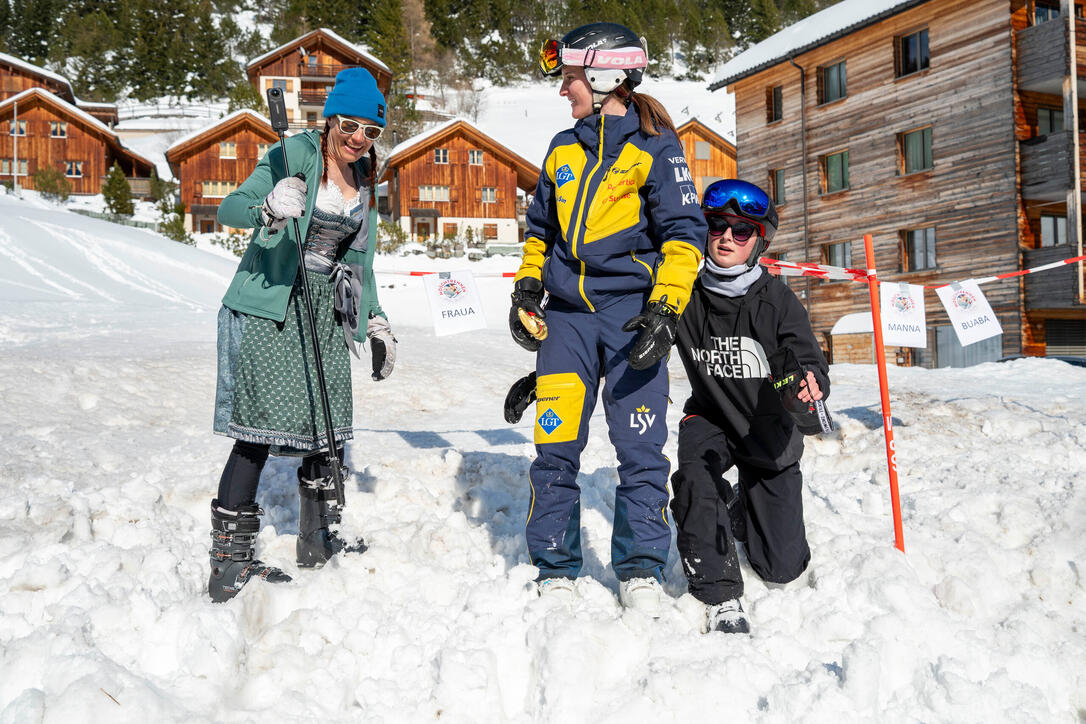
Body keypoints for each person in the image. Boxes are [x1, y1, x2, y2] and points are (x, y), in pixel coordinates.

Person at [509, 22, 707, 614]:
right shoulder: (561, 148)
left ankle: (641, 567)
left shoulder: (656, 149)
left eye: (569, 77)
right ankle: (554, 565)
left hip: (631, 320)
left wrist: (664, 310)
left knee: (641, 452)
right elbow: (540, 230)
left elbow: (684, 235)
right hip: (567, 321)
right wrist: (526, 288)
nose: (562, 89)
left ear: (603, 77)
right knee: (554, 448)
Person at [207, 67, 397, 602]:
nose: (358, 138)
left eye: (371, 131)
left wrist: (376, 321)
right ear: (331, 119)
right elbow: (229, 208)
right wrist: (268, 207)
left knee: (327, 426)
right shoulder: (293, 154)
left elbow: (360, 263)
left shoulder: (364, 180)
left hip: (325, 306)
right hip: (274, 302)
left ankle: (318, 539)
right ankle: (229, 562)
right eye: (350, 125)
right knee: (258, 430)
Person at [669, 179, 830, 633]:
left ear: (759, 242)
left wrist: (808, 387)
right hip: (711, 418)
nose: (727, 237)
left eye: (741, 231)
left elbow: (810, 363)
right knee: (695, 476)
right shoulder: (683, 291)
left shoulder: (777, 301)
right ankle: (719, 594)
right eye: (717, 225)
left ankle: (739, 507)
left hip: (767, 433)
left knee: (781, 568)